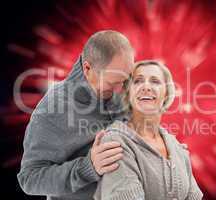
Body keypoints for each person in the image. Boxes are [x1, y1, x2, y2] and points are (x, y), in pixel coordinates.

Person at [17, 30, 134, 200]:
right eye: (112, 83)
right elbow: (30, 179)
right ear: (87, 68)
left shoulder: (121, 86)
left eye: (126, 79)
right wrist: (88, 167)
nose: (121, 89)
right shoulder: (53, 108)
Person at [94, 60, 203, 200]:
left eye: (155, 81)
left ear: (166, 94)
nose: (146, 87)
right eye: (138, 81)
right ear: (128, 94)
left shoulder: (177, 148)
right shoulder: (115, 142)